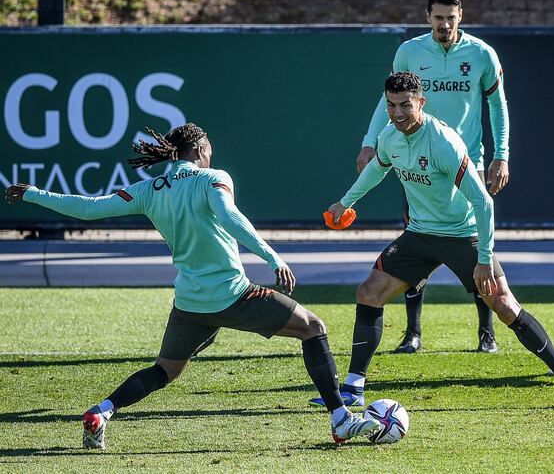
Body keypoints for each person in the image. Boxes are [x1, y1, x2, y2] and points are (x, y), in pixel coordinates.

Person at [4, 123, 379, 449]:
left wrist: (35, 194)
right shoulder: (214, 178)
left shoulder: (150, 189)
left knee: (165, 370)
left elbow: (88, 208)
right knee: (313, 328)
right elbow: (230, 216)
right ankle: (341, 418)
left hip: (190, 303)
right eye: (209, 148)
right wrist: (272, 257)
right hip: (233, 295)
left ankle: (101, 412)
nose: (211, 153)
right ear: (200, 150)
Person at [311, 72, 554, 410]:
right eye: (391, 106)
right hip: (420, 234)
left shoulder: (443, 142)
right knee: (369, 292)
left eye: (405, 106)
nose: (398, 113)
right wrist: (346, 202)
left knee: (504, 305)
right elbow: (377, 169)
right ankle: (354, 388)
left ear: (421, 103)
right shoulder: (389, 136)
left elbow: (483, 202)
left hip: (462, 235)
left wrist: (484, 259)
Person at [357, 0, 511, 355]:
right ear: (427, 16)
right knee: (417, 238)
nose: (445, 24)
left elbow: (498, 107)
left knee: (475, 245)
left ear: (461, 17)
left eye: (451, 18)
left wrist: (501, 154)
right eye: (439, 17)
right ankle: (412, 332)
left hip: (467, 162)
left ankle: (486, 331)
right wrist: (370, 140)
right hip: (416, 159)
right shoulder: (409, 52)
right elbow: (388, 102)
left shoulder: (481, 55)